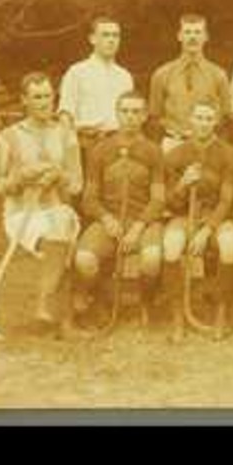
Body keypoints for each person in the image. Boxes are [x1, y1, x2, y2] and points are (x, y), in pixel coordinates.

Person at [0, 72, 82, 335]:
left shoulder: (65, 134)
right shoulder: (8, 137)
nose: (44, 102)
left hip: (58, 209)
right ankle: (57, 309)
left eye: (48, 95)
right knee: (59, 236)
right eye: (36, 97)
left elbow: (76, 183)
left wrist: (59, 176)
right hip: (22, 215)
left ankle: (46, 305)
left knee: (60, 225)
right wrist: (19, 178)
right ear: (24, 100)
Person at [74, 90, 165, 325]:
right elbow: (89, 198)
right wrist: (106, 219)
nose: (130, 117)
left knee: (152, 258)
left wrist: (138, 227)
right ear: (116, 113)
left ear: (145, 115)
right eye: (124, 111)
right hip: (110, 220)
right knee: (84, 258)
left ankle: (145, 302)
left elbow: (158, 199)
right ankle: (101, 298)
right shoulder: (100, 150)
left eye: (136, 112)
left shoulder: (154, 151)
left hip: (143, 221)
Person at [162, 100, 233, 342]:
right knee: (172, 245)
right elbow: (170, 203)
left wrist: (207, 230)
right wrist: (182, 185)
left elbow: (227, 200)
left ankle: (221, 311)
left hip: (216, 219)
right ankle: (178, 315)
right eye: (199, 117)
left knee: (229, 244)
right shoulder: (176, 154)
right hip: (185, 216)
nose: (204, 123)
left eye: (209, 118)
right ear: (190, 120)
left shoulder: (229, 154)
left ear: (215, 122)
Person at [58, 17, 134, 172]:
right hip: (87, 144)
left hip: (118, 146)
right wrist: (70, 149)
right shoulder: (77, 72)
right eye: (105, 35)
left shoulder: (125, 76)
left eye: (115, 35)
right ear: (92, 39)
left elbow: (130, 115)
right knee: (85, 193)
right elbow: (65, 114)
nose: (111, 40)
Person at [148, 13, 232, 151]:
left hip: (207, 145)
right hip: (173, 142)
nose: (192, 37)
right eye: (188, 32)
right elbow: (154, 117)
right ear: (179, 36)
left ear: (205, 37)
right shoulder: (162, 74)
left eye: (197, 32)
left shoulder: (218, 75)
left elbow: (225, 118)